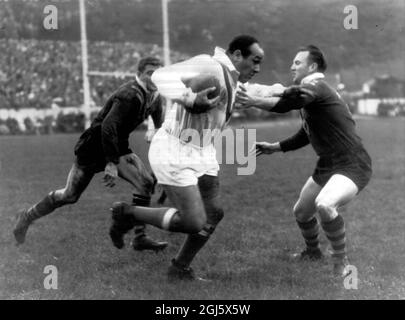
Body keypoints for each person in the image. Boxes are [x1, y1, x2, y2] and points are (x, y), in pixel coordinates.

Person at [109, 35, 264, 281]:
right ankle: (128, 213)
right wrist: (189, 98)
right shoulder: (210, 65)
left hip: (202, 150)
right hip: (175, 148)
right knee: (193, 222)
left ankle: (179, 269)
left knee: (213, 213)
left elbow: (263, 96)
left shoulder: (233, 80)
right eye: (255, 61)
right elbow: (161, 76)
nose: (257, 68)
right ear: (236, 55)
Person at [236, 45, 372, 277]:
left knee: (325, 205)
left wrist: (254, 101)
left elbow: (288, 103)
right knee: (301, 212)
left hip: (352, 163)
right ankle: (312, 252)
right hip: (329, 164)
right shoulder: (312, 90)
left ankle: (341, 261)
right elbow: (306, 132)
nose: (292, 66)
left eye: (298, 62)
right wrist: (275, 147)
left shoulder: (316, 86)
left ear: (313, 67)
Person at [13, 56, 168, 252]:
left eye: (158, 73)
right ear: (138, 75)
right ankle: (26, 216)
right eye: (150, 73)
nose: (155, 77)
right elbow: (107, 127)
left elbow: (161, 130)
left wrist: (163, 165)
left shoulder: (155, 98)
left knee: (145, 183)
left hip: (117, 147)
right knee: (69, 195)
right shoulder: (129, 95)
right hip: (93, 148)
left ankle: (139, 238)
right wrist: (111, 163)